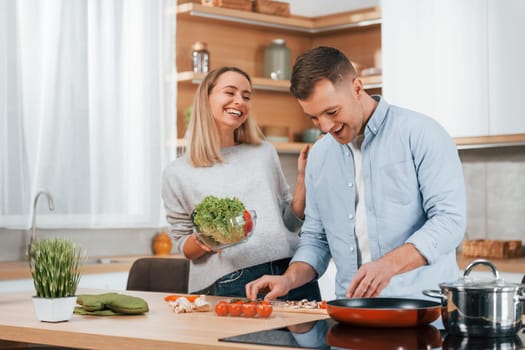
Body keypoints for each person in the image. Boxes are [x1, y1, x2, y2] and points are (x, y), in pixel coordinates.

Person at [246, 46, 466, 301]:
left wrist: (388, 266)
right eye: (314, 118)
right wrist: (288, 279)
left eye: (332, 112)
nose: (326, 127)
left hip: (425, 310)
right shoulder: (320, 156)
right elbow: (316, 239)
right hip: (350, 312)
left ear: (357, 87)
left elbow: (449, 221)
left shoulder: (421, 134)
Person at [162, 66, 321, 300]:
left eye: (246, 96)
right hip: (233, 279)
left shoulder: (264, 152)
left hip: (290, 273)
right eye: (230, 93)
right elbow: (184, 246)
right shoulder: (177, 172)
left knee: (314, 337)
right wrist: (208, 240)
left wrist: (303, 179)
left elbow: (289, 222)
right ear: (207, 98)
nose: (239, 101)